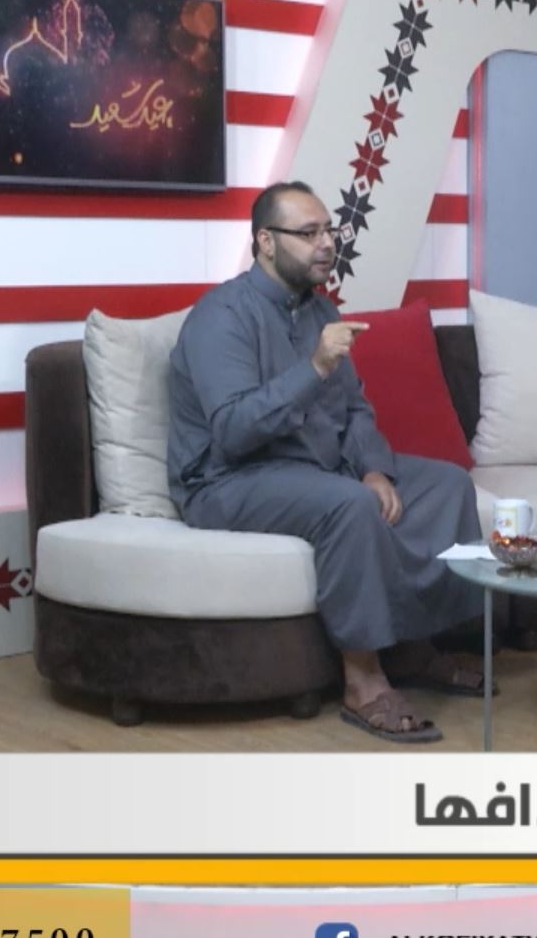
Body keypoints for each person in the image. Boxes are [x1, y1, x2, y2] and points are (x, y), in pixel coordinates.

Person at [168, 180, 486, 743]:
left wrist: (375, 469)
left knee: (447, 485)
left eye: (328, 231)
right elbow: (234, 431)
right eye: (308, 233)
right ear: (265, 242)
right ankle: (363, 682)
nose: (326, 244)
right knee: (349, 505)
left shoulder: (320, 311)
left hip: (311, 469)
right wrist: (313, 367)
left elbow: (354, 409)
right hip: (227, 481)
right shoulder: (221, 316)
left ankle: (416, 647)